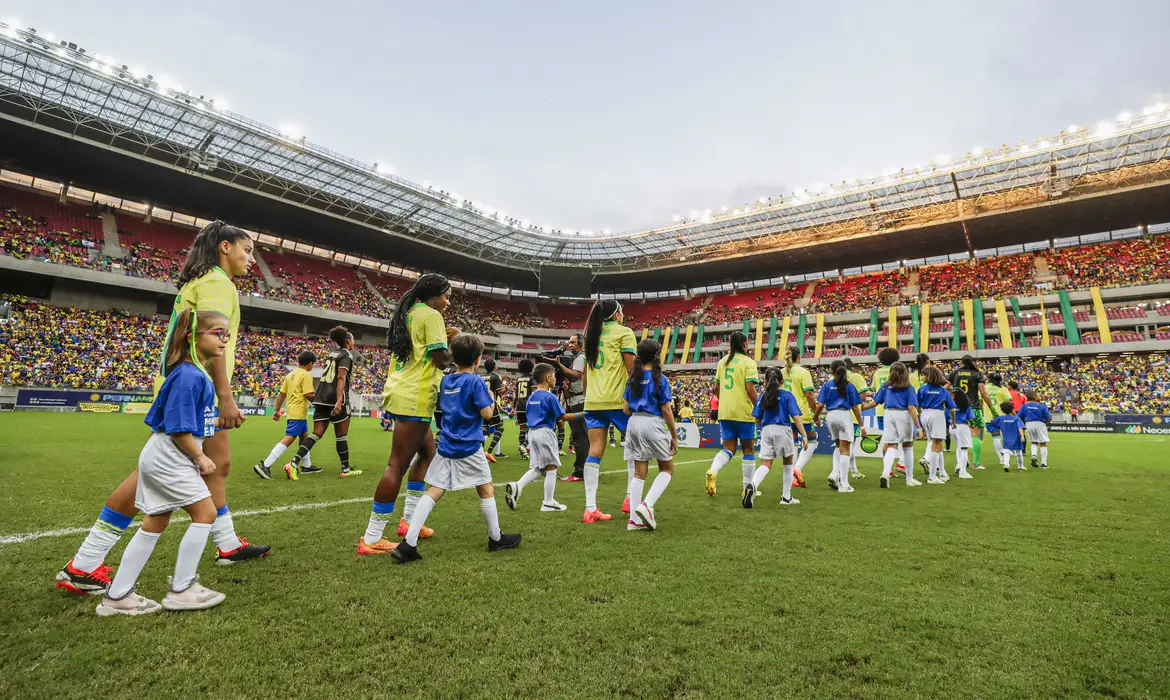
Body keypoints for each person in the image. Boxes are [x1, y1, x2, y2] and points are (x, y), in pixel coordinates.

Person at [57, 222, 267, 596]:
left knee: (218, 464)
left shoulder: (198, 282)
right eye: (247, 250)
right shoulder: (218, 283)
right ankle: (84, 563)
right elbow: (214, 334)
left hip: (189, 386)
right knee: (152, 475)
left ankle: (228, 544)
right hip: (195, 390)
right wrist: (225, 395)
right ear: (224, 248)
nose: (251, 259)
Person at [94, 309, 230, 615]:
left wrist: (217, 423)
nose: (225, 340)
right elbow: (177, 426)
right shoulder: (189, 375)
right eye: (219, 333)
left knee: (156, 521)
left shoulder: (193, 373)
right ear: (192, 336)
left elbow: (188, 420)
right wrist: (200, 457)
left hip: (165, 454)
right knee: (206, 512)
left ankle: (117, 596)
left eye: (227, 334)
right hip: (172, 454)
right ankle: (182, 588)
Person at [391, 334, 522, 564]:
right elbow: (487, 414)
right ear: (478, 360)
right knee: (486, 489)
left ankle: (408, 543)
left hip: (447, 445)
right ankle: (495, 537)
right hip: (469, 446)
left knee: (434, 491)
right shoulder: (475, 382)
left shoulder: (447, 380)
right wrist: (491, 397)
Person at [358, 273, 454, 556]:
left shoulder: (409, 312)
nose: (447, 302)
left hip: (403, 390)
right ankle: (372, 537)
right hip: (416, 395)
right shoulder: (432, 315)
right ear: (434, 296)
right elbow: (441, 360)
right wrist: (457, 341)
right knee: (397, 465)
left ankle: (409, 522)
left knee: (427, 454)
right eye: (446, 296)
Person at [581, 299, 637, 524]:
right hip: (617, 400)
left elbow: (585, 373)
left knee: (594, 452)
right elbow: (632, 368)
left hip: (593, 402)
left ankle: (590, 508)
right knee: (636, 451)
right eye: (622, 311)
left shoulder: (591, 335)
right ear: (616, 315)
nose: (623, 315)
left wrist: (589, 397)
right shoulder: (624, 333)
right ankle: (631, 499)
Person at [282, 326, 362, 478]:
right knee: (341, 435)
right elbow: (340, 378)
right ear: (347, 341)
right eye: (352, 340)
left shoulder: (331, 354)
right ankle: (346, 469)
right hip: (335, 398)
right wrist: (339, 400)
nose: (353, 343)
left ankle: (293, 464)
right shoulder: (346, 355)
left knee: (316, 433)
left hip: (321, 397)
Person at [505, 362, 579, 513]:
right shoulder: (550, 397)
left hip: (532, 433)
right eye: (553, 376)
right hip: (545, 433)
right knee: (552, 467)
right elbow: (562, 416)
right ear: (547, 377)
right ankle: (548, 502)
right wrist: (583, 415)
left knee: (538, 468)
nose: (555, 379)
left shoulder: (532, 397)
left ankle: (518, 486)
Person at [620, 339, 678, 531]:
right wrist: (674, 436)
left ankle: (633, 521)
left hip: (634, 422)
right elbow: (667, 410)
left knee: (639, 472)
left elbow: (626, 409)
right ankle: (647, 505)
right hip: (652, 422)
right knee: (667, 469)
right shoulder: (659, 379)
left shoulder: (633, 378)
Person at [705, 332, 760, 498]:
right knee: (748, 450)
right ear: (744, 344)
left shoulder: (722, 362)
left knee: (728, 448)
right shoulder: (749, 363)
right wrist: (759, 407)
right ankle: (746, 489)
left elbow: (716, 388)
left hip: (725, 412)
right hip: (743, 412)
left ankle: (713, 470)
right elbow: (750, 388)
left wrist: (726, 402)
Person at [744, 368, 808, 507]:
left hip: (766, 430)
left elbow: (756, 418)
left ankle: (753, 485)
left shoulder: (762, 396)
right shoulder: (787, 395)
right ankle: (786, 498)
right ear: (782, 381)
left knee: (765, 464)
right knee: (788, 462)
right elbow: (796, 417)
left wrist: (765, 426)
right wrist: (804, 435)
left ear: (765, 381)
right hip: (783, 429)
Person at [253, 350, 317, 480]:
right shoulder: (306, 375)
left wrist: (276, 410)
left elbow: (282, 394)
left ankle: (307, 465)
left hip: (293, 411)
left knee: (304, 438)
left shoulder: (290, 375)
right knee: (290, 438)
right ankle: (266, 464)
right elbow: (308, 394)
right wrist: (321, 402)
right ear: (310, 363)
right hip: (299, 412)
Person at [811, 359, 865, 493]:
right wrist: (862, 425)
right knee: (845, 448)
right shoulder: (849, 386)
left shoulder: (827, 385)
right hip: (844, 416)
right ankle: (844, 484)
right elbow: (855, 407)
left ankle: (835, 473)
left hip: (830, 416)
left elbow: (820, 405)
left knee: (838, 446)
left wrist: (816, 417)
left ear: (831, 371)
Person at [868, 361, 924, 488]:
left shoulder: (885, 386)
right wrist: (919, 427)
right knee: (908, 445)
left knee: (891, 445)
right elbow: (911, 407)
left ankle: (885, 473)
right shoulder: (908, 387)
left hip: (888, 414)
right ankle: (909, 478)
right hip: (903, 415)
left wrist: (862, 408)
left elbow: (875, 402)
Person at [948, 355, 994, 470]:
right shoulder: (977, 374)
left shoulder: (955, 373)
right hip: (973, 406)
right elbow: (983, 392)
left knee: (959, 434)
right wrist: (991, 406)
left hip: (957, 407)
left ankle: (963, 460)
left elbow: (946, 386)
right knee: (975, 434)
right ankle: (976, 463)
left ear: (961, 362)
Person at [871, 348, 909, 477]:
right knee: (907, 439)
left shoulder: (877, 373)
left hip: (881, 411)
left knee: (887, 440)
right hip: (899, 409)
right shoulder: (899, 370)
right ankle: (902, 464)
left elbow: (876, 389)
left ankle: (888, 469)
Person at [784, 347, 818, 488]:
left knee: (793, 445)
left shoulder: (782, 372)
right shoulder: (803, 372)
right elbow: (809, 395)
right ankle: (797, 468)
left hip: (785, 414)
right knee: (812, 441)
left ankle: (792, 477)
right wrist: (816, 413)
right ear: (799, 358)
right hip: (801, 413)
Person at [916, 366, 957, 485]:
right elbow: (952, 408)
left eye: (923, 374)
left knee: (936, 445)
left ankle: (943, 473)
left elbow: (917, 405)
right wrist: (953, 422)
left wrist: (920, 416)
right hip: (937, 414)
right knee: (937, 444)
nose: (922, 376)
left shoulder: (922, 389)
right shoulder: (943, 390)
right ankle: (932, 476)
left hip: (925, 414)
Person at [557, 333, 589, 482]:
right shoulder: (579, 357)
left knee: (580, 437)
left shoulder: (581, 357)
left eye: (573, 342)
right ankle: (586, 470)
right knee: (580, 437)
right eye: (569, 342)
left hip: (578, 400)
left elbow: (575, 376)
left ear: (581, 343)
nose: (570, 345)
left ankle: (580, 472)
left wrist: (558, 365)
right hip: (574, 400)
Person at [842, 357, 871, 480]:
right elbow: (863, 395)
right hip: (852, 415)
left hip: (837, 413)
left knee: (842, 445)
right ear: (852, 367)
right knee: (849, 445)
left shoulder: (834, 377)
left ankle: (853, 471)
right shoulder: (857, 377)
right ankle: (841, 473)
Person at [987, 402, 1027, 471]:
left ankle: (1006, 464)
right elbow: (1020, 427)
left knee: (1006, 452)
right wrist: (1022, 436)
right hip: (1016, 438)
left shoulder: (1000, 418)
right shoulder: (1016, 419)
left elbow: (992, 423)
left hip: (1006, 439)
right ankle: (1021, 466)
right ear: (1012, 410)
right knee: (1019, 453)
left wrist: (997, 427)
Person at [1018, 390, 1052, 469]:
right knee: (1043, 443)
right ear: (1035, 397)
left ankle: (1034, 455)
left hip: (1029, 424)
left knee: (1034, 442)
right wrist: (1046, 421)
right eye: (1038, 395)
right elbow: (1049, 417)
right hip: (1040, 424)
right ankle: (1044, 463)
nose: (1040, 397)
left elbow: (1019, 416)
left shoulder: (1024, 406)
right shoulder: (1042, 406)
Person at [481, 358, 507, 461]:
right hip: (492, 405)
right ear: (494, 367)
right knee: (500, 428)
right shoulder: (496, 376)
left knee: (484, 431)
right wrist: (504, 383)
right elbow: (501, 392)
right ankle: (489, 452)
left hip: (482, 406)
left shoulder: (482, 377)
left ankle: (479, 453)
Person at [987, 373, 1015, 464]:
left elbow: (980, 400)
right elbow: (1009, 402)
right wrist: (1013, 414)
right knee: (1006, 436)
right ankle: (1008, 452)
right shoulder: (1003, 389)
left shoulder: (985, 388)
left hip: (989, 416)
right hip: (1003, 416)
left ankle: (1001, 459)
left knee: (996, 438)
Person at [950, 388, 975, 479]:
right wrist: (972, 425)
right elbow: (971, 418)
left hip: (952, 427)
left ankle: (958, 466)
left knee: (959, 447)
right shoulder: (966, 406)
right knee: (964, 449)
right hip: (962, 427)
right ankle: (962, 471)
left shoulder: (951, 404)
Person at [513, 358, 535, 460]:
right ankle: (524, 446)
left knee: (522, 429)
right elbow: (534, 394)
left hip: (519, 406)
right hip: (529, 406)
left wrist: (514, 407)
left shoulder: (518, 379)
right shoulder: (532, 378)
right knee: (532, 429)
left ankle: (522, 449)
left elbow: (515, 395)